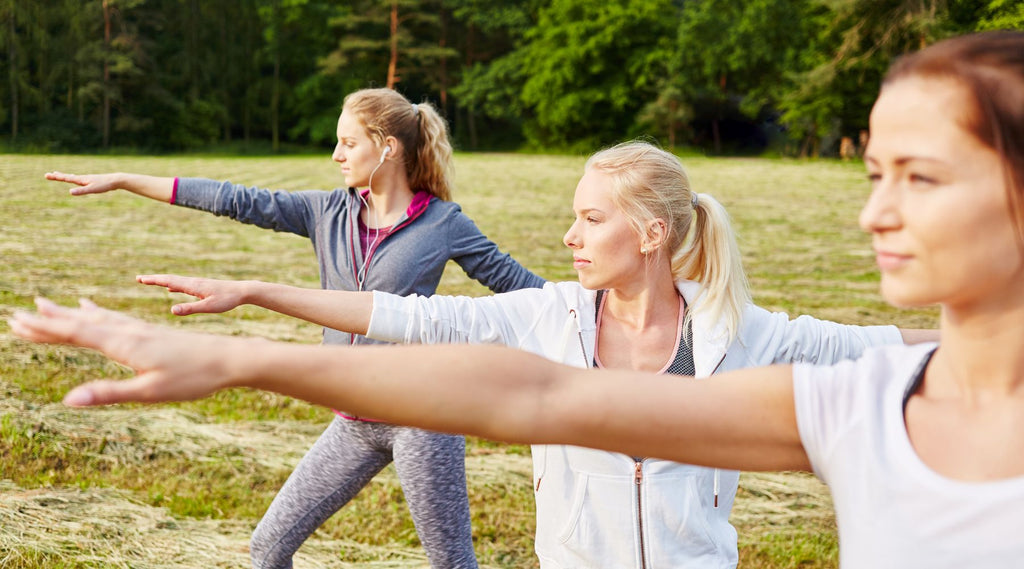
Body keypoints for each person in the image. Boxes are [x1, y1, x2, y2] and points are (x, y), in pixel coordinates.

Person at [19, 29, 1016, 567]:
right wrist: (248, 323)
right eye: (872, 174)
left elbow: (496, 342)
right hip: (392, 430)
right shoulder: (862, 408)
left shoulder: (776, 351)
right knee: (270, 539)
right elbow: (502, 374)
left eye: (917, 176)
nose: (872, 214)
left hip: (433, 423)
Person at [126, 140, 929, 568]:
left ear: (652, 234)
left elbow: (887, 348)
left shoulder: (742, 332)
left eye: (591, 219)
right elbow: (405, 317)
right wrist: (258, 291)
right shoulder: (550, 319)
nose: (570, 238)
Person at [43, 88, 546, 569]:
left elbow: (523, 289)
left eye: (348, 142)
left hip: (423, 413)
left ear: (388, 147)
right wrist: (128, 179)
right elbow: (233, 199)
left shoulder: (444, 223)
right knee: (267, 548)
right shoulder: (325, 211)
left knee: (453, 563)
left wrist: (601, 308)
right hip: (353, 416)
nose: (336, 155)